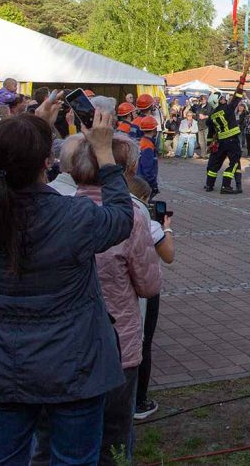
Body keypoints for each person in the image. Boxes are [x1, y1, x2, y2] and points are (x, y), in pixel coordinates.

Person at [0, 104, 136, 466]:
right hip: (73, 362)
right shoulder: (74, 216)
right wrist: (106, 154)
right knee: (74, 459)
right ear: (48, 161)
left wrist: (27, 133)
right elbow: (123, 218)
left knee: (1, 459)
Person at [72, 135, 161, 465]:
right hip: (117, 342)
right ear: (129, 168)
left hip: (65, 342)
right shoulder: (133, 214)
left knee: (64, 432)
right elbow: (150, 284)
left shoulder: (58, 203)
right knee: (114, 434)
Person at [127, 175, 174, 421]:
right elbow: (168, 254)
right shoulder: (146, 221)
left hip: (114, 291)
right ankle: (138, 401)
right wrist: (166, 227)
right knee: (142, 342)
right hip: (142, 290)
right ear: (144, 199)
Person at [204, 79, 246, 194]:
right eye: (222, 98)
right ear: (218, 101)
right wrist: (241, 84)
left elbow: (210, 133)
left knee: (215, 165)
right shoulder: (227, 109)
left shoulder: (211, 116)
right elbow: (237, 98)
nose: (224, 99)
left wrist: (209, 145)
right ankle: (226, 186)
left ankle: (209, 185)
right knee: (234, 163)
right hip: (232, 141)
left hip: (221, 142)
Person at [135, 116, 159, 197]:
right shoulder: (148, 145)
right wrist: (153, 184)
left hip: (139, 178)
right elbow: (147, 168)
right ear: (154, 129)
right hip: (145, 181)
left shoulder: (142, 141)